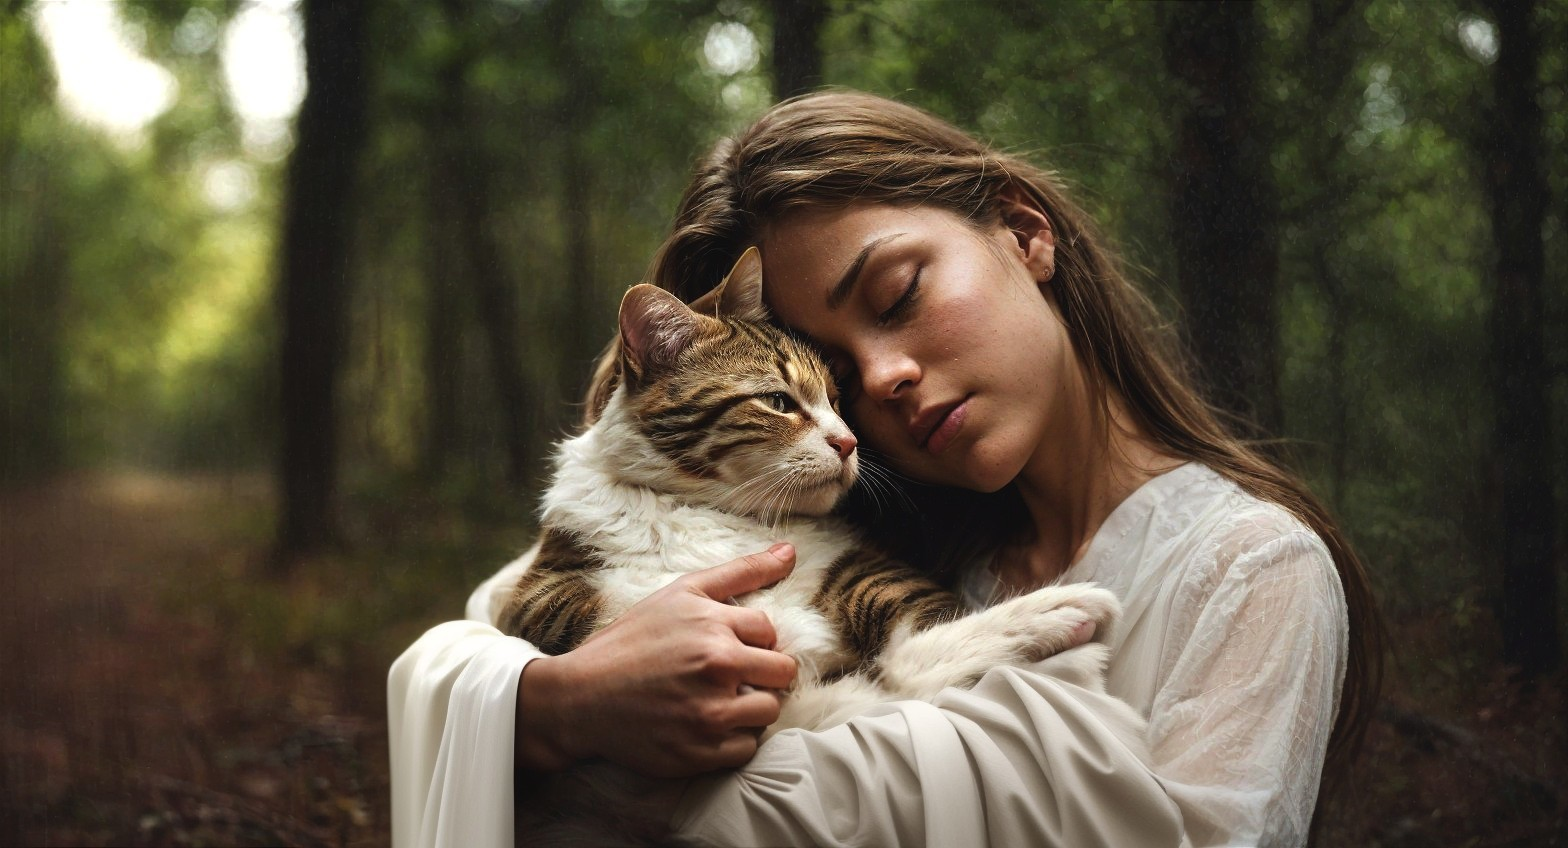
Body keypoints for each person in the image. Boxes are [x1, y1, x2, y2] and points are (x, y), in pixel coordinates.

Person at [388, 90, 1382, 848]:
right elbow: (482, 626)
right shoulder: (876, 528)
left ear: (1023, 231)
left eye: (897, 294)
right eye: (833, 371)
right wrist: (559, 706)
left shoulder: (1251, 571)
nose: (883, 378)